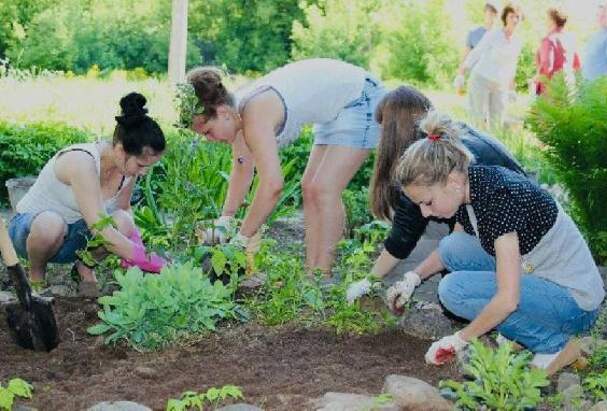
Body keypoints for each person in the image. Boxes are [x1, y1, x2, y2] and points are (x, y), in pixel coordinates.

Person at [386, 110, 605, 376]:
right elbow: (449, 252)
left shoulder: (498, 201)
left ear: (453, 181)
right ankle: (524, 334)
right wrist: (412, 278)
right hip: (538, 274)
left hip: (575, 304)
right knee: (453, 245)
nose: (425, 213)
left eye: (427, 202)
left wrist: (459, 340)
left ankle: (552, 345)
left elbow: (508, 299)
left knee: (454, 291)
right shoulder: (471, 186)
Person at [185, 58, 386, 275]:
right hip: (336, 108)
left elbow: (272, 185)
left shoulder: (254, 114)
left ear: (223, 112)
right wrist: (226, 219)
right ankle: (313, 274)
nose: (210, 140)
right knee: (310, 188)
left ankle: (322, 277)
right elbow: (242, 168)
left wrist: (241, 240)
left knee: (324, 189)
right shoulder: (238, 116)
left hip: (360, 97)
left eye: (207, 132)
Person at [346, 86, 525, 304]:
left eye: (383, 129)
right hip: (501, 218)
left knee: (439, 286)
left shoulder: (427, 161)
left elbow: (404, 234)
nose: (380, 138)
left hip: (514, 234)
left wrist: (370, 279)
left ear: (393, 131)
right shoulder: (440, 139)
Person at [9, 93, 167, 292]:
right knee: (51, 224)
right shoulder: (82, 162)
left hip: (74, 238)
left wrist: (135, 244)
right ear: (120, 150)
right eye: (142, 165)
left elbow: (123, 209)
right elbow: (101, 230)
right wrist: (149, 260)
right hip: (32, 234)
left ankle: (84, 269)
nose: (144, 172)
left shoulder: (128, 169)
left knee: (123, 220)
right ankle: (36, 276)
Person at [457, 3, 523, 129]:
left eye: (517, 17)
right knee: (478, 120)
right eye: (511, 16)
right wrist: (462, 72)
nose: (515, 20)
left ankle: (492, 147)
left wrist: (511, 88)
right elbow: (477, 52)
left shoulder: (517, 41)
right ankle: (475, 147)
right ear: (505, 18)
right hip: (481, 79)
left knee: (498, 121)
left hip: (500, 85)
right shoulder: (495, 34)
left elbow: (512, 65)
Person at [533, 7, 580, 95]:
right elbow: (577, 66)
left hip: (551, 91)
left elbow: (547, 65)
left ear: (552, 21)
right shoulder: (570, 39)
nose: (545, 22)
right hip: (569, 90)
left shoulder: (547, 40)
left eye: (547, 19)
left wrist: (537, 77)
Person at [454, 3, 498, 94]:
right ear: (484, 14)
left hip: (494, 79)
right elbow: (465, 56)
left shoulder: (499, 35)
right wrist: (460, 76)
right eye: (489, 14)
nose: (491, 17)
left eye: (494, 15)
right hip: (476, 77)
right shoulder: (474, 33)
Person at [582, 1, 607, 81]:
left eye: (603, 16)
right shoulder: (593, 35)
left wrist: (606, 88)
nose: (599, 18)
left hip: (599, 89)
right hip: (586, 87)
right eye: (598, 15)